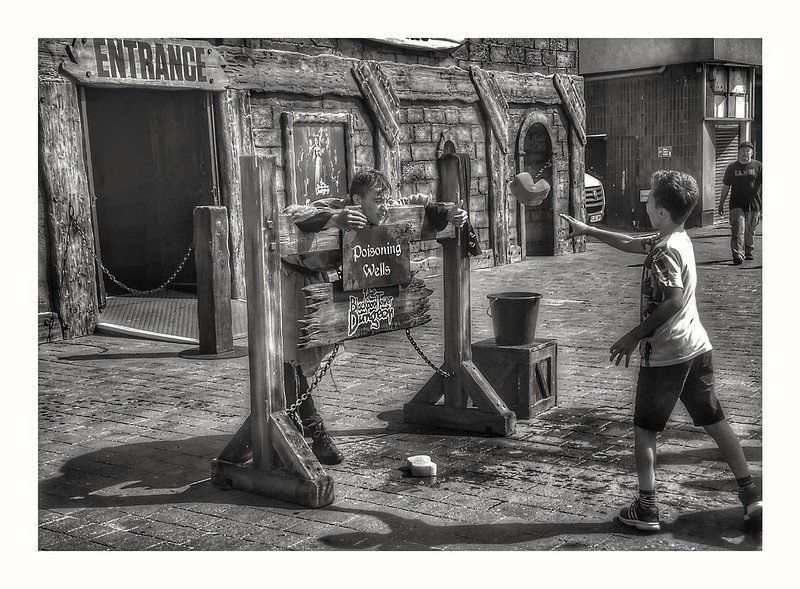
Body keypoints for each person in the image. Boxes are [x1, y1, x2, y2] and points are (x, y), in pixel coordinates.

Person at [560, 170, 762, 531]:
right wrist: (588, 230)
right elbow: (630, 242)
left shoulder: (664, 251)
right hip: (696, 347)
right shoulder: (675, 238)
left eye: (650, 199)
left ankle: (647, 507)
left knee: (645, 430)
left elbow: (672, 301)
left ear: (663, 211)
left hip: (667, 354)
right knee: (715, 420)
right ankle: (750, 495)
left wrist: (633, 336)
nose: (646, 202)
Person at [281, 169, 468, 464]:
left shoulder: (382, 209)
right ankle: (314, 431)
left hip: (319, 280)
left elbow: (415, 205)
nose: (385, 205)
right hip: (292, 279)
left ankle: (296, 420)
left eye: (386, 199)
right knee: (292, 355)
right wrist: (334, 219)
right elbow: (293, 215)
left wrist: (449, 214)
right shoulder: (333, 206)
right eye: (378, 199)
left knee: (306, 359)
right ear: (356, 200)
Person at [718, 141, 762, 265]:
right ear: (739, 152)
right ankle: (737, 253)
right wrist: (721, 203)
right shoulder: (732, 167)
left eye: (747, 151)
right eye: (742, 151)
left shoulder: (758, 166)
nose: (745, 153)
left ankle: (748, 251)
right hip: (736, 204)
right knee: (737, 229)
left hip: (754, 204)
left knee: (750, 230)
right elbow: (725, 187)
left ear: (752, 153)